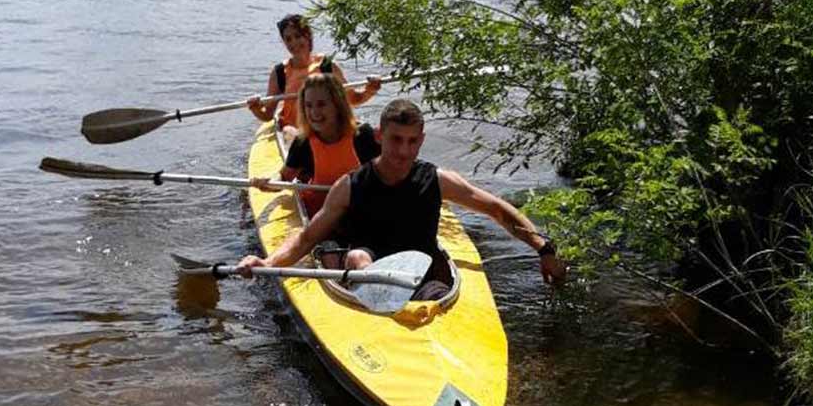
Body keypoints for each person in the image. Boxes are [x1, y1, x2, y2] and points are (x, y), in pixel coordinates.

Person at [237, 97, 567, 287]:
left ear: (421, 140)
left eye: (412, 141)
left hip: (420, 274)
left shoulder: (436, 179)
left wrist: (542, 247)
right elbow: (307, 238)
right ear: (380, 136)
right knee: (357, 256)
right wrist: (266, 262)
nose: (403, 151)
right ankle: (373, 293)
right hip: (368, 272)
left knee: (430, 284)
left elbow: (496, 209)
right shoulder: (350, 186)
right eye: (396, 139)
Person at [256, 71, 381, 217]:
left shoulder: (363, 135)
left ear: (337, 105)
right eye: (309, 105)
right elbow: (284, 177)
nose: (314, 112)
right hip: (319, 213)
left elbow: (385, 174)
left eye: (321, 104)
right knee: (291, 135)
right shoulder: (303, 142)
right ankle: (288, 132)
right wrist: (269, 183)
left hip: (356, 210)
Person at [246, 14, 381, 143]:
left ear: (308, 36)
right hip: (294, 131)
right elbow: (268, 115)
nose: (293, 43)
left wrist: (371, 89)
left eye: (298, 36)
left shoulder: (327, 66)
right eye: (288, 39)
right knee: (295, 135)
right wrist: (255, 108)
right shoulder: (280, 72)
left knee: (366, 132)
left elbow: (353, 99)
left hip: (327, 127)